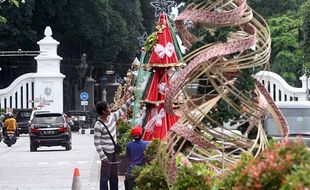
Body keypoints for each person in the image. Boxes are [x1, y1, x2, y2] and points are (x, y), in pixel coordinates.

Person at [94, 96, 135, 190]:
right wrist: (102, 156)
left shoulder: (112, 117)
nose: (110, 109)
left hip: (113, 153)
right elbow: (97, 142)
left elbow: (122, 110)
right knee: (105, 177)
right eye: (108, 108)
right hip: (106, 154)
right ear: (104, 111)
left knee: (114, 175)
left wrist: (131, 99)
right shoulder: (98, 125)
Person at [125, 125, 150, 190]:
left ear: (132, 136)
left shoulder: (129, 145)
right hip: (143, 171)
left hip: (132, 172)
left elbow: (128, 158)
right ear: (141, 135)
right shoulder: (147, 143)